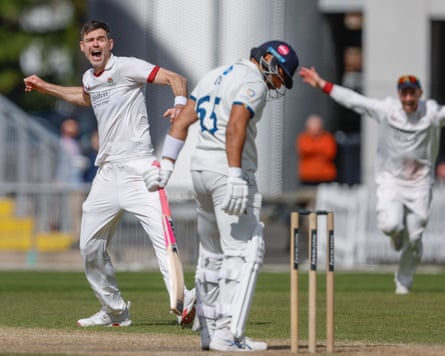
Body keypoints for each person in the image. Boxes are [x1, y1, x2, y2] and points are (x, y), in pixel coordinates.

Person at [24, 20, 195, 327]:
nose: (96, 44)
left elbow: (175, 77)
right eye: (90, 40)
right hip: (107, 174)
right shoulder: (90, 77)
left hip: (139, 169)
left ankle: (186, 302)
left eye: (101, 39)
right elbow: (85, 96)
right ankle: (115, 310)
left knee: (162, 240)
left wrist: (181, 105)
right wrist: (44, 86)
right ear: (82, 47)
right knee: (89, 246)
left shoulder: (127, 67)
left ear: (110, 43)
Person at [145, 40, 299, 351]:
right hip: (226, 173)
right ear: (269, 60)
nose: (279, 82)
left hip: (200, 172)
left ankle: (210, 333)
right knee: (244, 253)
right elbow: (236, 125)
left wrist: (166, 165)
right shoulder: (252, 81)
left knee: (212, 256)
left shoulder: (214, 75)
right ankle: (230, 335)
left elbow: (183, 119)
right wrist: (235, 174)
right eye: (281, 74)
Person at [299, 67, 445, 294]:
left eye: (412, 93)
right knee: (390, 225)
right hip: (391, 180)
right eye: (404, 93)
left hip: (420, 182)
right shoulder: (387, 109)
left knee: (415, 236)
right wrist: (323, 85)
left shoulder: (431, 112)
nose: (408, 98)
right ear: (399, 94)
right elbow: (354, 100)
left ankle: (403, 282)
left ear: (420, 93)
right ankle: (396, 234)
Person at [296, 114, 337, 185]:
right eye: (313, 127)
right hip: (308, 176)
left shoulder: (328, 138)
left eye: (317, 126)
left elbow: (330, 153)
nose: (315, 129)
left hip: (326, 176)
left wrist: (313, 149)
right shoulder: (303, 138)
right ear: (308, 127)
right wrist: (320, 149)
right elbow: (304, 150)